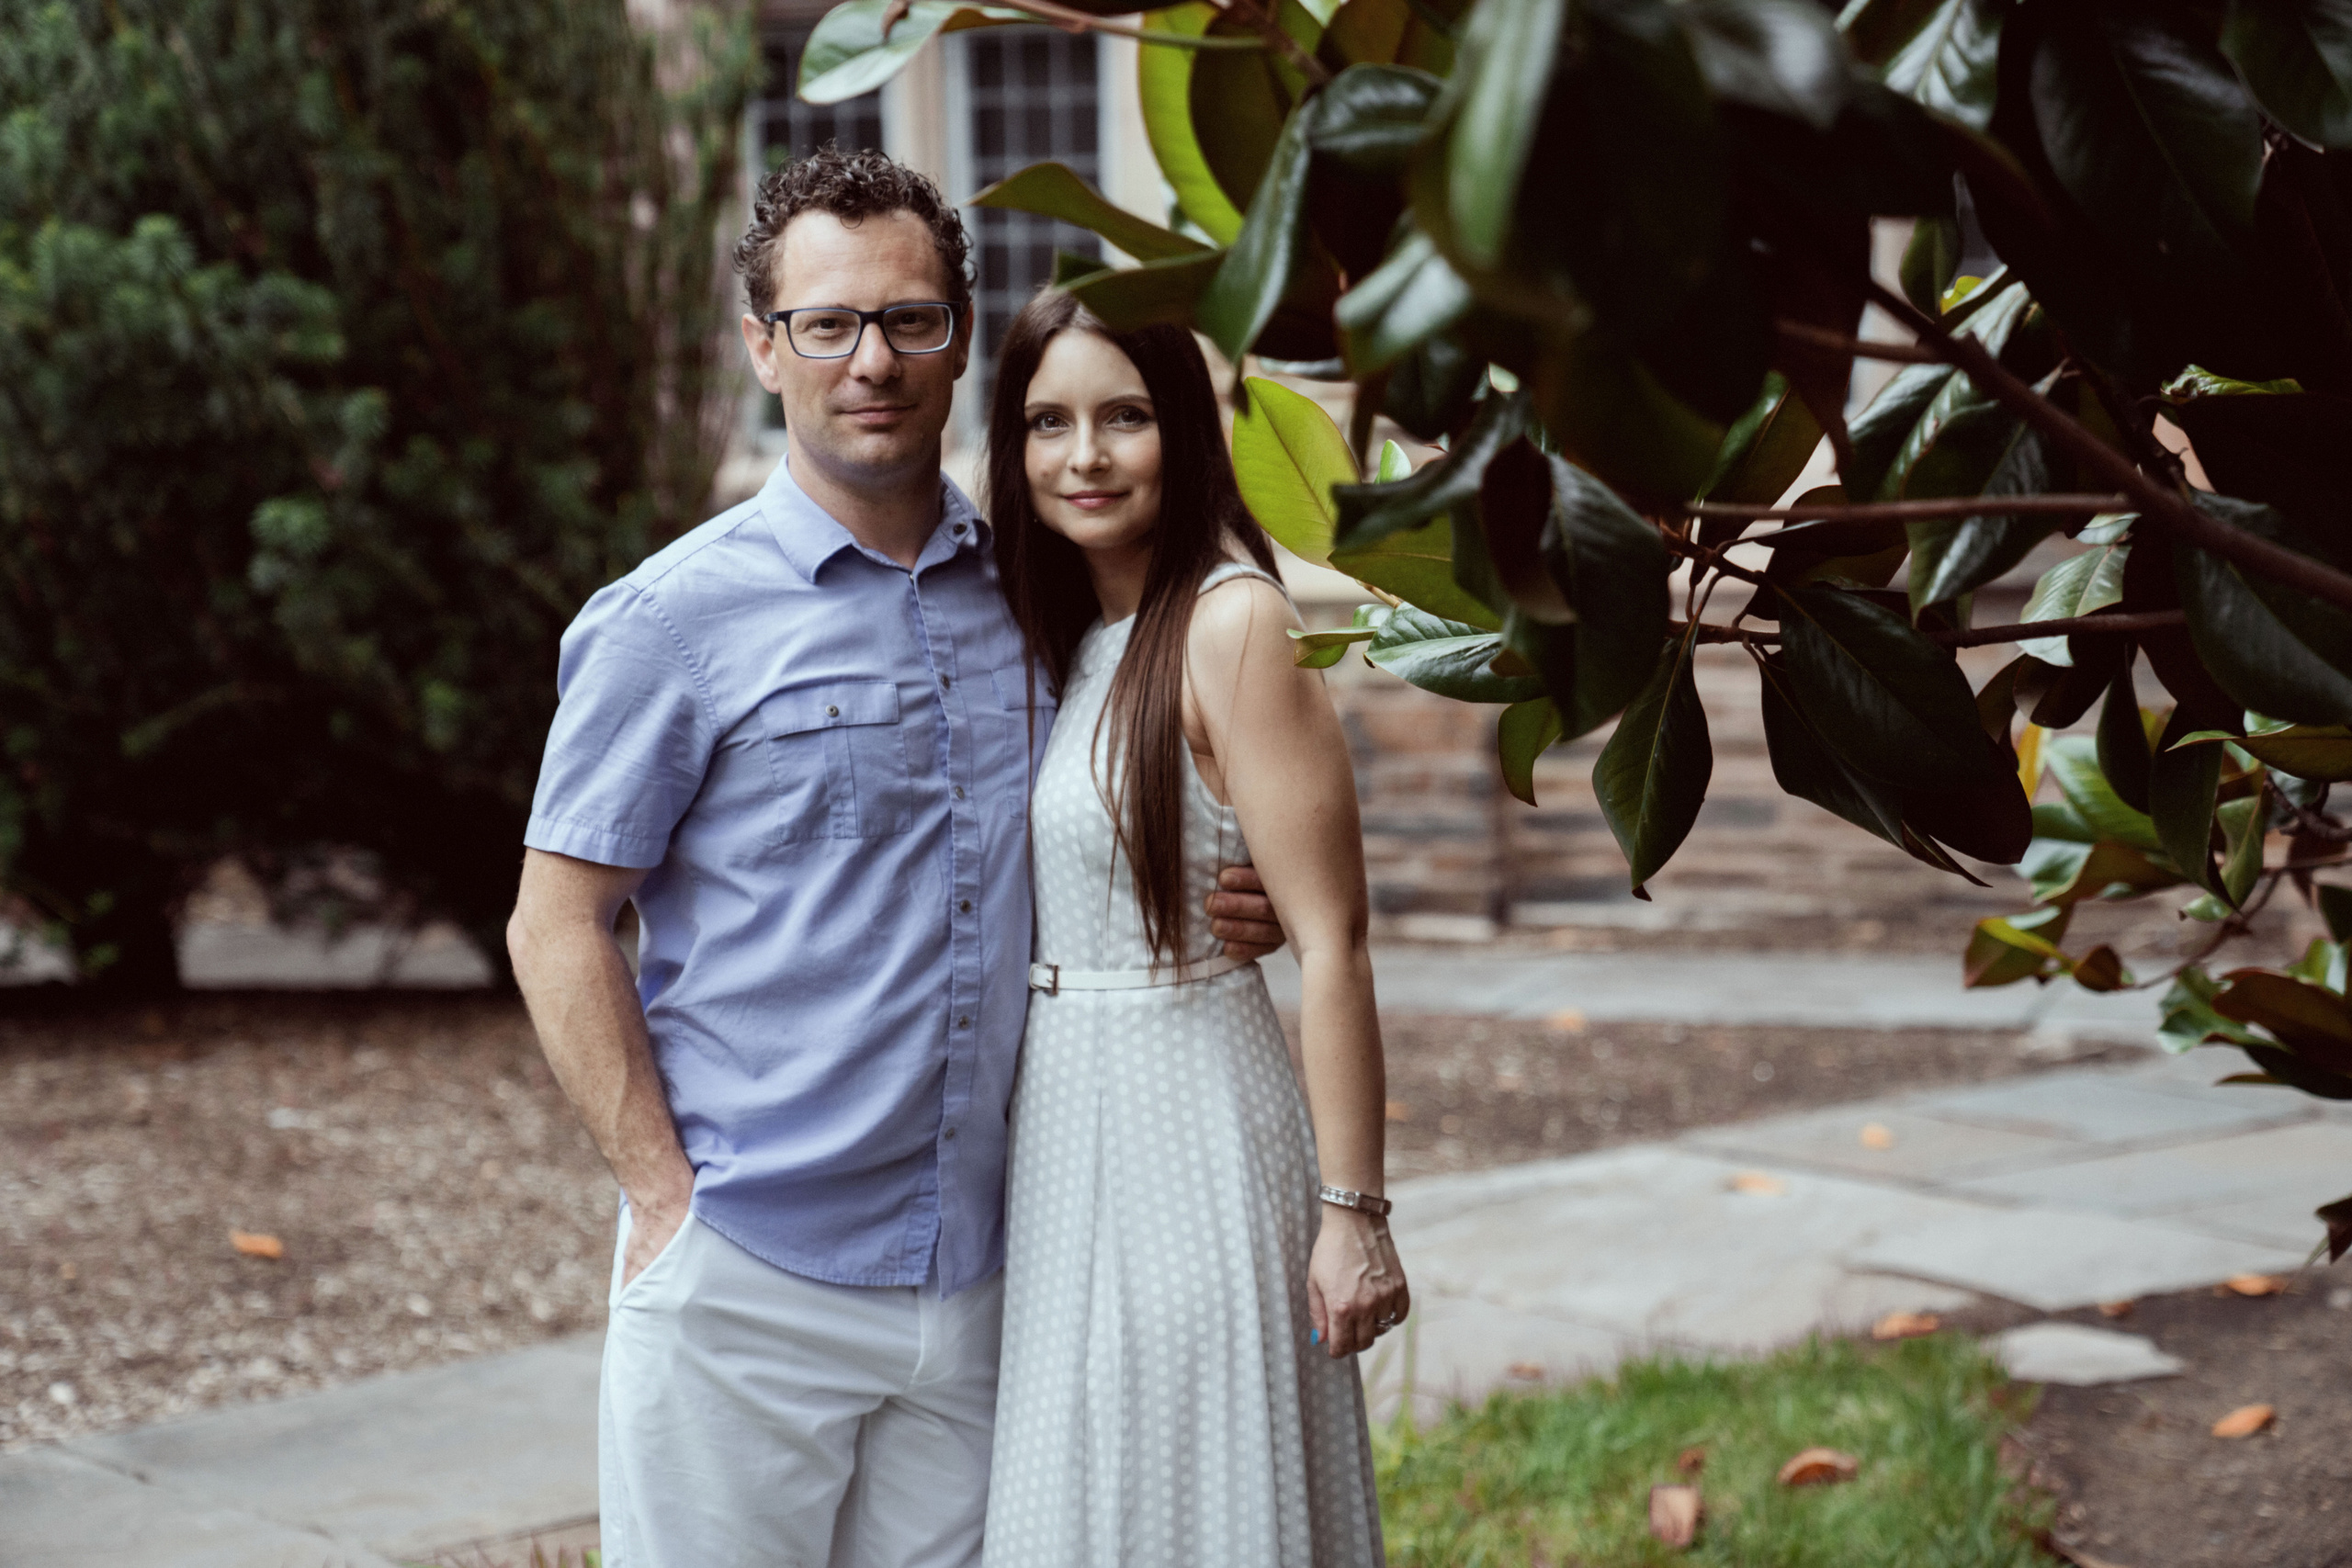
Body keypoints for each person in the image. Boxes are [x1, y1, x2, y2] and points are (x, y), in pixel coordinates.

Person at [503, 148, 1283, 1568]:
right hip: (750, 1274)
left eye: (910, 320)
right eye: (828, 324)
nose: (873, 361)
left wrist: (1241, 882)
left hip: (990, 1272)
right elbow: (555, 922)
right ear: (763, 347)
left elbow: (1142, 789)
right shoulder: (670, 623)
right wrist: (663, 1198)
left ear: (961, 337)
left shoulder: (1042, 591)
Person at [978, 290, 1407, 1566]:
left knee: (1199, 1485)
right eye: (1048, 423)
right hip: (1063, 1126)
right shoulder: (1065, 637)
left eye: (1125, 416)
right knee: (1086, 1500)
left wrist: (1354, 1212)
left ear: (1185, 427)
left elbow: (1334, 940)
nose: (1085, 456)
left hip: (1192, 1116)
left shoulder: (1234, 623)